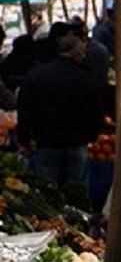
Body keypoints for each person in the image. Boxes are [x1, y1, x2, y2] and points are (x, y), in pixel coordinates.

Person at [17, 34, 103, 187]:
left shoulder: (36, 76)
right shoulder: (85, 79)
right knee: (77, 195)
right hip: (76, 142)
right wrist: (92, 135)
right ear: (75, 54)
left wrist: (24, 139)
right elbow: (95, 111)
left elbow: (24, 109)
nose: (83, 57)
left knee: (49, 194)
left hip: (46, 142)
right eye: (82, 53)